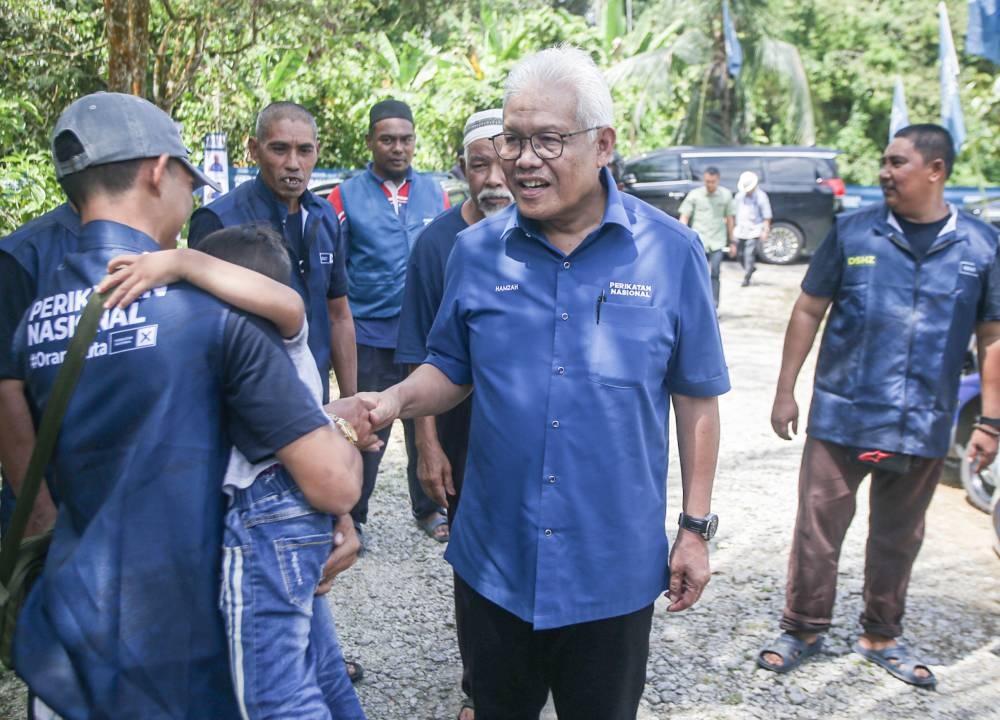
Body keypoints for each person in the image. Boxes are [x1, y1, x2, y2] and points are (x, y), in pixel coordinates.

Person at [361, 46, 729, 719]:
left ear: (604, 145)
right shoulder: (475, 252)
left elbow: (696, 393)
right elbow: (450, 369)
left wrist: (695, 528)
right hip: (495, 561)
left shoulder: (671, 252)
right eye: (514, 139)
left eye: (549, 140)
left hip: (612, 568)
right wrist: (392, 400)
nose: (523, 159)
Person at [11, 91, 369, 718]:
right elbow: (333, 482)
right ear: (157, 170)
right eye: (186, 178)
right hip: (189, 645)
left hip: (71, 631)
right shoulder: (210, 312)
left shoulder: (35, 321)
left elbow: (34, 478)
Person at [757, 124, 1000, 689]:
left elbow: (992, 339)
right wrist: (785, 388)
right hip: (843, 418)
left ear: (935, 170)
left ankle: (881, 635)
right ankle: (802, 629)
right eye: (884, 162)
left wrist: (990, 420)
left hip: (922, 422)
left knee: (899, 535)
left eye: (897, 163)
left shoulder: (982, 247)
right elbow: (807, 310)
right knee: (818, 529)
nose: (884, 173)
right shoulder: (854, 233)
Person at [96, 226, 372, 719]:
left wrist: (182, 263)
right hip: (293, 515)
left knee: (270, 691)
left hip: (267, 514)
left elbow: (287, 301)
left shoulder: (278, 334)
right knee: (321, 662)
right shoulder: (261, 347)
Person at [394, 107, 513, 720]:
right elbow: (417, 352)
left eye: (502, 159)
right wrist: (428, 447)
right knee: (474, 561)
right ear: (461, 169)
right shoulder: (439, 244)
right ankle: (481, 688)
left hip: (524, 431)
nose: (493, 176)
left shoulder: (537, 231)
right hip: (461, 433)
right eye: (479, 163)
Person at [328, 99, 451, 545]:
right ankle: (351, 516)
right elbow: (335, 270)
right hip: (370, 335)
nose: (398, 148)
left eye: (405, 139)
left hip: (424, 333)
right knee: (367, 426)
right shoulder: (345, 196)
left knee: (426, 426)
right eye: (388, 139)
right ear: (370, 142)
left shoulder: (435, 193)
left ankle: (431, 509)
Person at [189, 101, 356, 406]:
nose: (293, 163)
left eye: (304, 151)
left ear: (317, 150)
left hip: (315, 400)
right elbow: (200, 329)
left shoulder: (325, 216)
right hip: (245, 404)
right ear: (254, 149)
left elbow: (338, 315)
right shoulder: (219, 220)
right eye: (279, 149)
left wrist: (349, 400)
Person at [0, 203, 80, 539]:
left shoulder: (152, 246)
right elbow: (5, 391)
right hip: (49, 503)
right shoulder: (24, 255)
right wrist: (42, 519)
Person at [678, 166, 734, 309]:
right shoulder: (695, 195)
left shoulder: (725, 195)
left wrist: (732, 241)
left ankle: (714, 305)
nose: (710, 185)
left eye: (713, 182)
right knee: (695, 274)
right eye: (707, 181)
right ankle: (695, 305)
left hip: (717, 241)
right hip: (698, 240)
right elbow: (684, 216)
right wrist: (681, 237)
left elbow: (730, 219)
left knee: (715, 273)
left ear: (718, 180)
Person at [732, 170, 771, 287]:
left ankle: (747, 278)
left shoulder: (761, 197)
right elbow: (734, 213)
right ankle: (750, 268)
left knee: (749, 254)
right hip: (740, 230)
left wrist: (765, 230)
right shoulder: (739, 196)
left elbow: (767, 216)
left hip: (754, 229)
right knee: (739, 255)